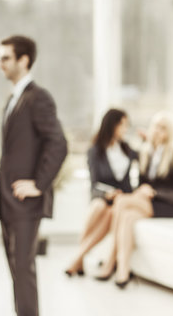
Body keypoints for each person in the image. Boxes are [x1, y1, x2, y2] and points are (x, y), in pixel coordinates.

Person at [0, 35, 67, 316]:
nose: (0, 63)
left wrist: (39, 184)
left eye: (6, 58)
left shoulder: (38, 97)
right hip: (7, 199)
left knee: (23, 269)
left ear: (24, 60)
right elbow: (11, 154)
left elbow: (58, 143)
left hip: (25, 201)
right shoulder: (15, 97)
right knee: (17, 270)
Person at [96, 111, 173, 288]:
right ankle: (123, 270)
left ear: (170, 133)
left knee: (122, 202)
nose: (158, 131)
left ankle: (110, 260)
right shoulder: (146, 152)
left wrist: (153, 192)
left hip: (170, 206)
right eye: (155, 126)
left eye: (163, 128)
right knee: (128, 217)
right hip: (149, 204)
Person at [65, 108, 138, 277]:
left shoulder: (127, 149)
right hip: (103, 195)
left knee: (111, 212)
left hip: (122, 199)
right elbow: (94, 183)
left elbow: (146, 160)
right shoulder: (95, 151)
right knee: (99, 207)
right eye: (123, 125)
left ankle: (77, 259)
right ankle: (80, 259)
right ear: (113, 125)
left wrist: (148, 140)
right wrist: (108, 193)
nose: (125, 129)